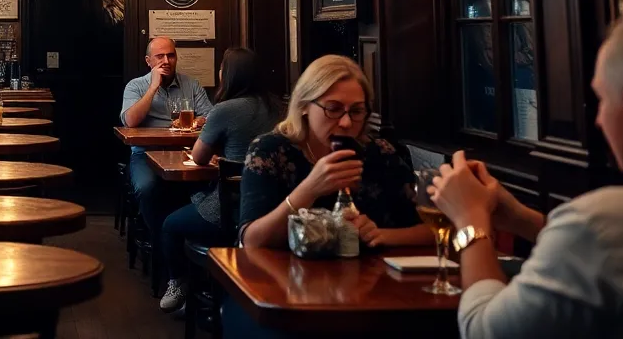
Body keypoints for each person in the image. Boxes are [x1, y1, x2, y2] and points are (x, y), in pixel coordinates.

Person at [429, 19, 623, 338]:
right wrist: (520, 218)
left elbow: (483, 329)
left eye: (602, 100)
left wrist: (470, 221)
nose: (599, 120)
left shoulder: (599, 221)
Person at [239, 54, 430, 250]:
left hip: (369, 277)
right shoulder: (270, 150)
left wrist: (380, 234)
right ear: (304, 106)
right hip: (288, 277)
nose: (346, 123)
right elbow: (252, 241)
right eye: (333, 109)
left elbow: (436, 230)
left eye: (356, 111)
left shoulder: (379, 153)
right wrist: (309, 190)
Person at [158, 47, 281, 312]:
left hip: (233, 210)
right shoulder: (281, 107)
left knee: (170, 224)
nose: (220, 71)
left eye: (223, 67)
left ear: (231, 75)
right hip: (277, 211)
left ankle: (179, 284)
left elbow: (200, 158)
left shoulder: (225, 109)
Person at [120, 36, 213, 237]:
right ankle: (160, 241)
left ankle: (182, 236)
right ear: (148, 61)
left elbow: (210, 115)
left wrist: (199, 121)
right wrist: (153, 87)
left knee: (206, 183)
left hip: (184, 153)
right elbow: (130, 121)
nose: (166, 61)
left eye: (170, 55)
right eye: (159, 56)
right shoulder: (135, 86)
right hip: (146, 153)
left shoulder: (191, 84)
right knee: (146, 188)